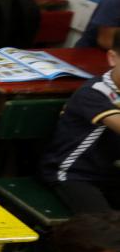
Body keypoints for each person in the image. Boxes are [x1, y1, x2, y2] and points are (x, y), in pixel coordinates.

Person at [41, 46, 120, 213]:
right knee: (106, 229)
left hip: (109, 174)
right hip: (72, 174)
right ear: (113, 58)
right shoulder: (94, 92)